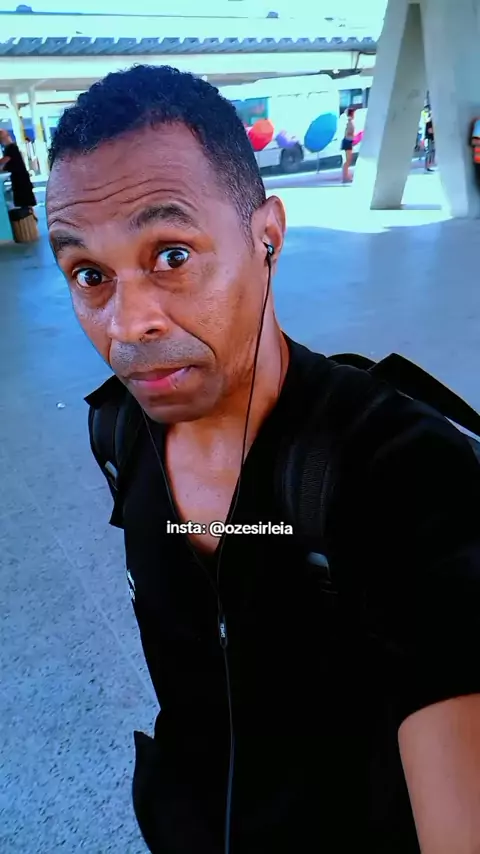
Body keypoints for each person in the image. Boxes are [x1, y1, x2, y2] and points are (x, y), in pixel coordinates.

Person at [46, 65, 480, 854]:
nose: (127, 324)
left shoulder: (401, 467)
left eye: (172, 255)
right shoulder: (118, 431)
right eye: (90, 274)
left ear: (267, 237)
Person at [0, 129, 37, 213]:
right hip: (20, 179)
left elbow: (4, 161)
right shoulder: (11, 147)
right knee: (26, 204)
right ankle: (30, 218)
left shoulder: (11, 148)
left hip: (20, 180)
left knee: (25, 204)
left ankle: (30, 219)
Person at [341, 106, 355, 183]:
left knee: (347, 160)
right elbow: (348, 133)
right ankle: (345, 177)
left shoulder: (348, 122)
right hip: (347, 141)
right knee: (347, 160)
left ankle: (346, 176)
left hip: (347, 141)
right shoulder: (349, 123)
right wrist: (353, 137)